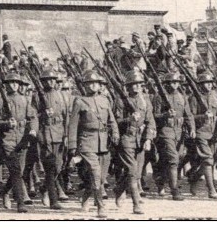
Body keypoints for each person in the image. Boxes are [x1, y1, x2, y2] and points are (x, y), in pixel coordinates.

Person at [67, 70, 118, 218]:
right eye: (89, 83)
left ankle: (85, 198)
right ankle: (100, 207)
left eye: (95, 83)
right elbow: (73, 125)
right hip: (87, 141)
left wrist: (115, 133)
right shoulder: (79, 101)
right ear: (85, 85)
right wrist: (72, 146)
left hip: (103, 143)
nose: (92, 86)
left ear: (100, 85)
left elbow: (112, 120)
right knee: (96, 174)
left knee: (100, 178)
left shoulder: (105, 100)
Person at [0, 72, 38, 213]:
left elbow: (33, 117)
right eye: (10, 83)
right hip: (8, 139)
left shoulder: (25, 100)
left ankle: (5, 191)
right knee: (16, 170)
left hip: (23, 139)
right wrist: (6, 124)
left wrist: (33, 130)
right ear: (6, 85)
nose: (13, 85)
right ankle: (20, 202)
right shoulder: (0, 101)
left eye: (16, 83)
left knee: (19, 171)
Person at [112, 69, 155, 214]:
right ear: (128, 86)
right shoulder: (121, 100)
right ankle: (136, 204)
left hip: (140, 139)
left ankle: (119, 189)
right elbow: (115, 121)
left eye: (138, 84)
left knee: (135, 172)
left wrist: (148, 138)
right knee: (131, 170)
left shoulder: (145, 100)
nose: (136, 87)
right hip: (126, 138)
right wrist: (129, 119)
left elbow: (151, 121)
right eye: (132, 84)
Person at [152, 71, 194, 201]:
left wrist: (192, 127)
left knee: (175, 158)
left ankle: (160, 179)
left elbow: (188, 115)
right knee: (173, 159)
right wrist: (165, 115)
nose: (174, 84)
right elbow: (154, 116)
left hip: (179, 131)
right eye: (171, 82)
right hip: (166, 131)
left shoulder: (182, 97)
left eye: (176, 82)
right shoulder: (159, 97)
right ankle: (174, 190)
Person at [187, 68, 217, 199]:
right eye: (206, 82)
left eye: (210, 82)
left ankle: (194, 177)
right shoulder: (194, 98)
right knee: (208, 159)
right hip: (201, 132)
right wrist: (202, 116)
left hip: (214, 132)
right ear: (200, 85)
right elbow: (190, 116)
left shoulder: (215, 95)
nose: (209, 84)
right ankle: (211, 190)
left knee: (210, 161)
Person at [37, 69, 69, 210]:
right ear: (43, 82)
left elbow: (66, 116)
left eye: (52, 80)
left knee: (58, 166)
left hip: (59, 133)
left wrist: (67, 135)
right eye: (47, 80)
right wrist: (43, 114)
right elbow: (32, 116)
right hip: (46, 133)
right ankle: (53, 199)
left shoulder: (61, 96)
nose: (50, 82)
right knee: (50, 168)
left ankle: (44, 187)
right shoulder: (37, 96)